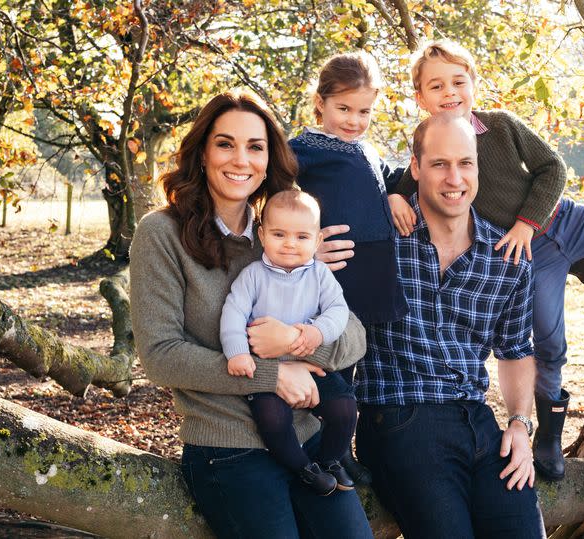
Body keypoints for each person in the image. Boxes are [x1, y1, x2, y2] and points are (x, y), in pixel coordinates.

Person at [387, 40, 584, 480]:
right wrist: (391, 197)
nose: (450, 92)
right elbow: (407, 181)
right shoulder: (431, 147)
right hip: (530, 258)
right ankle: (549, 439)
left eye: (459, 81)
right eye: (436, 86)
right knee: (548, 342)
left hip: (563, 221)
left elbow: (552, 168)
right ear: (420, 97)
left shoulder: (500, 126)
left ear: (474, 83)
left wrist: (525, 222)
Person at [129, 90, 372, 538]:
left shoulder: (284, 234)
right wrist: (273, 375)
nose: (240, 159)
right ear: (202, 153)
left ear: (269, 159)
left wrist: (299, 342)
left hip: (308, 435)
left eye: (255, 147)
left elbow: (354, 334)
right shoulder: (161, 234)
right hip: (229, 447)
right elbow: (161, 356)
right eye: (225, 143)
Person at [354, 113, 546, 538]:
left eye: (465, 163)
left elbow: (515, 350)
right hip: (399, 416)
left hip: (478, 422)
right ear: (416, 168)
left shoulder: (506, 258)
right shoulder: (380, 243)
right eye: (439, 164)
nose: (454, 177)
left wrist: (519, 423)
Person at [289, 51, 408, 483]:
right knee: (331, 363)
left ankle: (342, 448)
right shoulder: (304, 149)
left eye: (364, 111)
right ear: (320, 103)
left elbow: (390, 176)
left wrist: (395, 193)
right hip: (336, 274)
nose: (354, 120)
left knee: (354, 364)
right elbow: (272, 194)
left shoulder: (366, 148)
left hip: (372, 274)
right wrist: (303, 242)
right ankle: (326, 449)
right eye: (343, 109)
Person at [220, 190, 356, 495]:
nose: (290, 244)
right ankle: (302, 468)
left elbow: (338, 311)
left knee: (345, 408)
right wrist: (238, 353)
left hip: (309, 365)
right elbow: (233, 313)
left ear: (317, 241)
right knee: (272, 419)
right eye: (279, 234)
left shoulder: (320, 275)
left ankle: (330, 460)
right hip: (267, 370)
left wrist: (316, 333)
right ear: (262, 234)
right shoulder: (253, 275)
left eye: (301, 236)